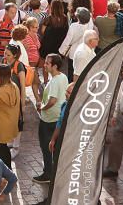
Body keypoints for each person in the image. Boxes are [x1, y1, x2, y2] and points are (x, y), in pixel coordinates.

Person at [34, 53, 67, 184]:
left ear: (54, 66)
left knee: (46, 147)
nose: (45, 65)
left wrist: (42, 107)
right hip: (57, 118)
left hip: (49, 119)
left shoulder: (54, 81)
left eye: (47, 63)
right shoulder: (63, 77)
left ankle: (48, 173)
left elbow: (52, 101)